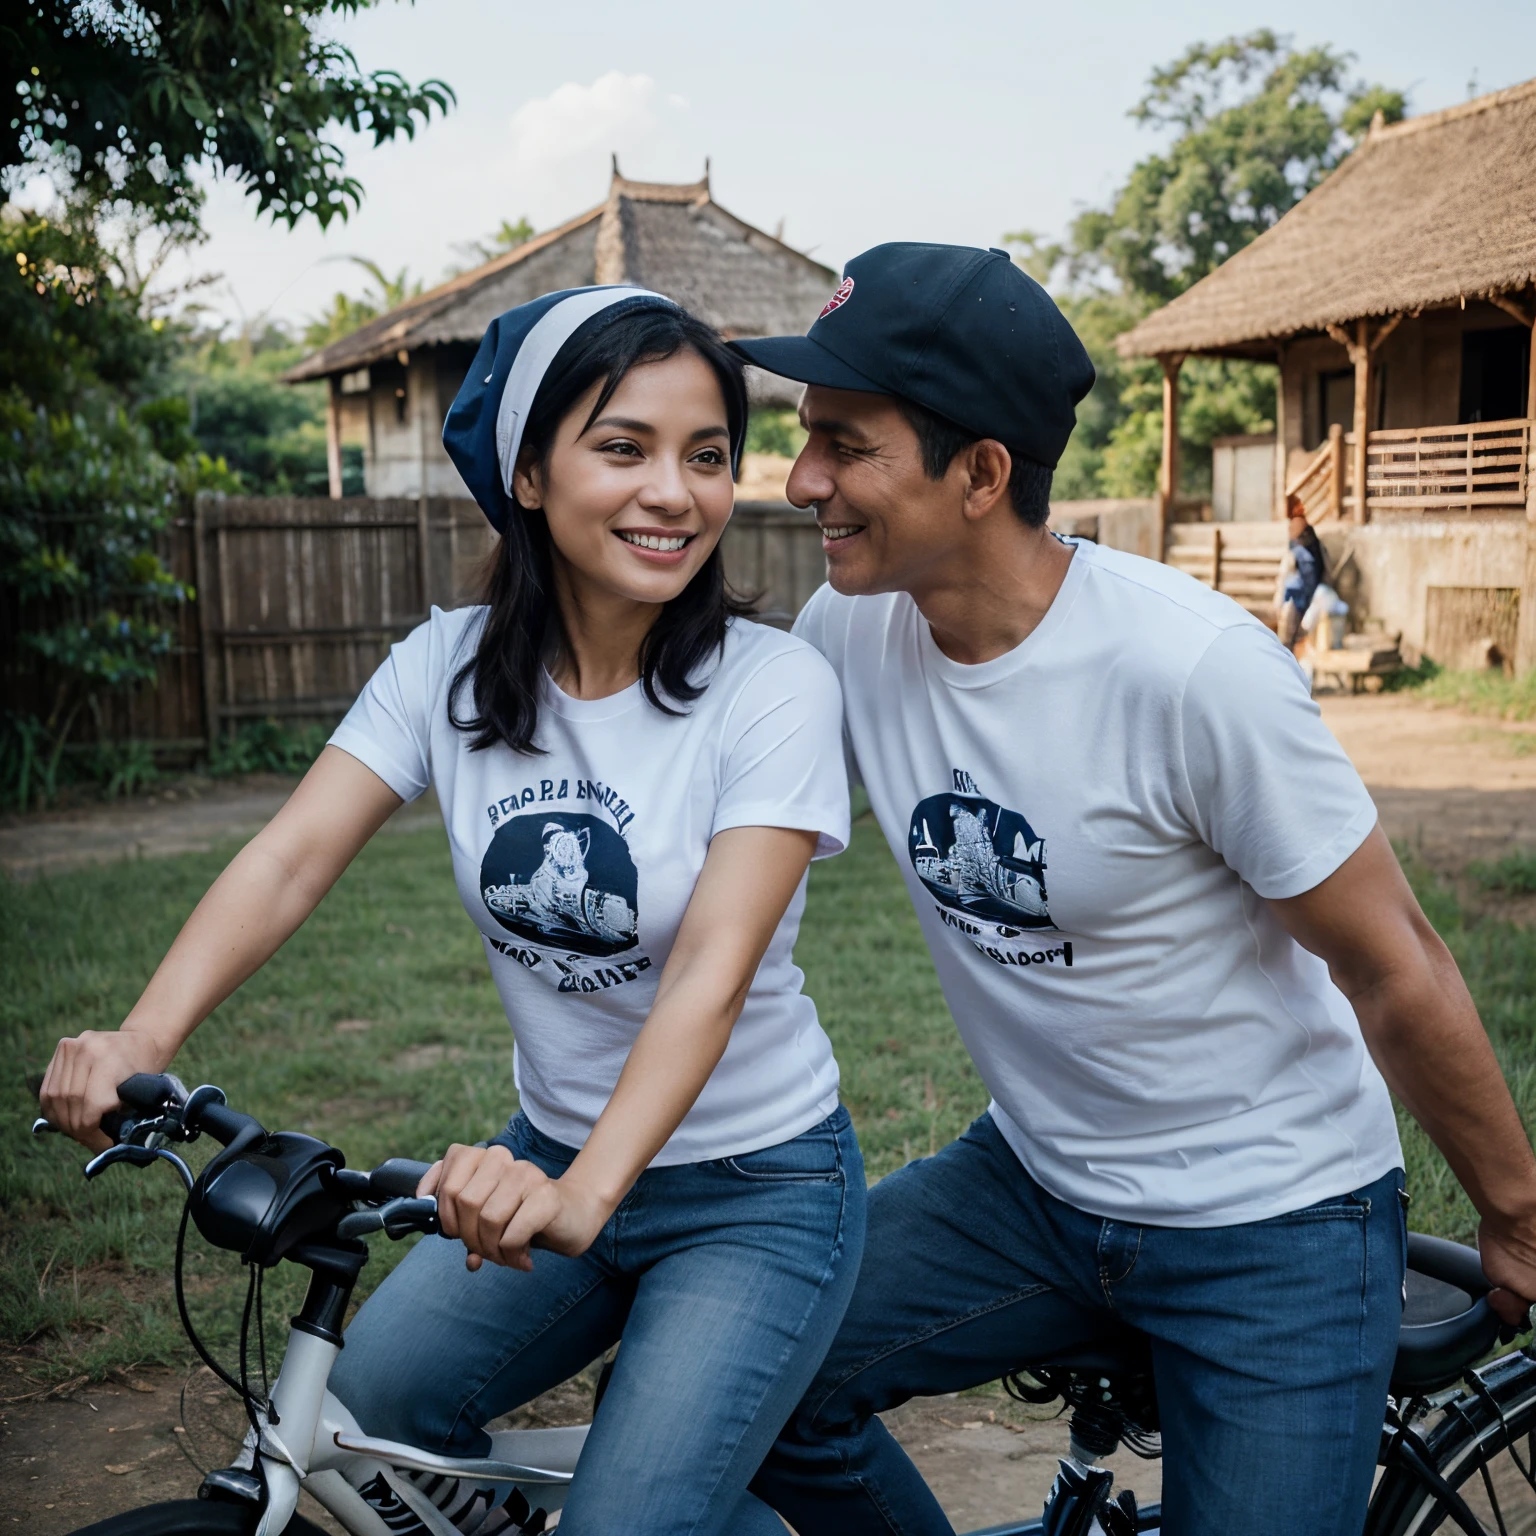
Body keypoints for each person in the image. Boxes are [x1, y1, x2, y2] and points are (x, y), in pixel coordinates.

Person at [726, 243, 1536, 1535]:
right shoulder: (845, 633)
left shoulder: (1191, 672)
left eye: (845, 442)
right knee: (741, 1385)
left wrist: (1516, 1215)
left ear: (982, 470)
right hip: (1035, 1185)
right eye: (805, 437)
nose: (800, 479)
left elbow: (1395, 963)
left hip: (1276, 1223)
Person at [38, 288, 866, 1536]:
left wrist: (589, 1193)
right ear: (530, 471)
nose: (676, 493)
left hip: (758, 1188)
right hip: (545, 1153)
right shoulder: (448, 664)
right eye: (623, 447)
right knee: (356, 1429)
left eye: (707, 457)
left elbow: (713, 970)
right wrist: (143, 1038)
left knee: (628, 1524)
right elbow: (288, 859)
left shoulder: (773, 686)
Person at [1278, 494, 1327, 649]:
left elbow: (1310, 570)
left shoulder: (1300, 530)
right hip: (1303, 586)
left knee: (1292, 627)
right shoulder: (1303, 532)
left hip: (1305, 588)